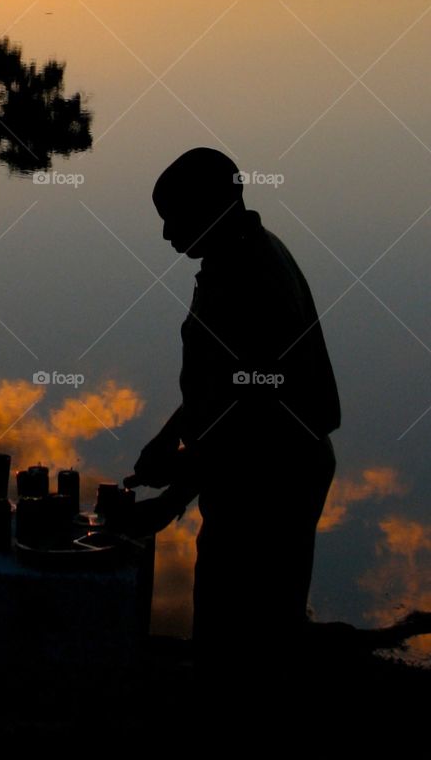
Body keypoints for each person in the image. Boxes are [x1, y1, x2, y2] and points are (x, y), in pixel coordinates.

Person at [125, 148, 340, 704]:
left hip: (274, 481)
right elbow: (226, 387)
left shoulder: (252, 283)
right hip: (257, 471)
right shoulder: (235, 258)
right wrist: (170, 433)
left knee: (242, 644)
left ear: (213, 208)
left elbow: (251, 428)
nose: (167, 235)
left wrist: (170, 500)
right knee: (244, 633)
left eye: (174, 218)